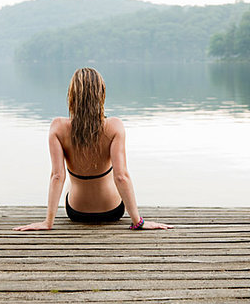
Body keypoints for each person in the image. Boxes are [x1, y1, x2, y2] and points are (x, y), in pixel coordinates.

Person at [14, 67, 173, 231]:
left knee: (69, 183)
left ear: (72, 95)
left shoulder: (58, 127)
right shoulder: (114, 126)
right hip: (112, 211)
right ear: (101, 94)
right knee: (111, 176)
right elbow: (121, 176)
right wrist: (138, 222)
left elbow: (57, 176)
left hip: (77, 212)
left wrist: (47, 222)